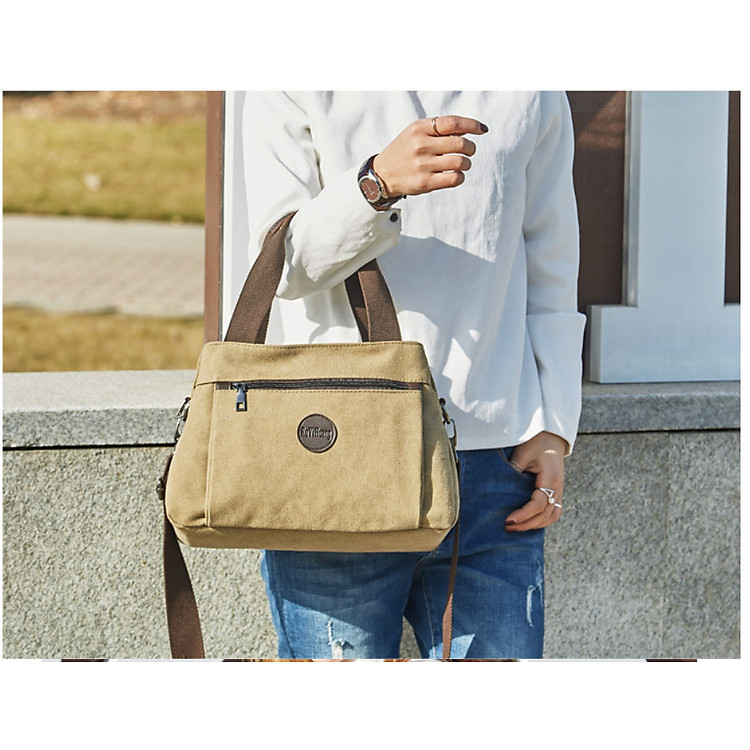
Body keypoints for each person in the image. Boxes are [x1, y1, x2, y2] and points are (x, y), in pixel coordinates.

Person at [240, 91, 585, 659]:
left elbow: (550, 255)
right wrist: (375, 184)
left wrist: (553, 423)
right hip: (335, 458)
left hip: (493, 470)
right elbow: (281, 267)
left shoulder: (532, 86)